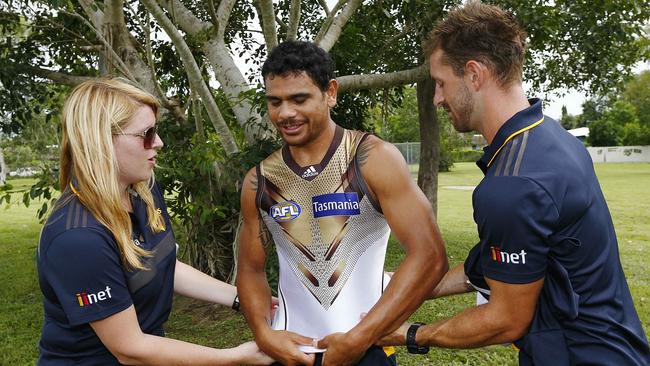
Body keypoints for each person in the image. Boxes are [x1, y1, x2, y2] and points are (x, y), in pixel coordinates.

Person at [377, 1, 650, 365]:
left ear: (474, 74)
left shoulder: (514, 183)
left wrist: (411, 333)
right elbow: (496, 265)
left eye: (441, 83)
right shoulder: (550, 137)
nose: (438, 98)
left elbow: (505, 320)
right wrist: (397, 285)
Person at [236, 40, 448, 366]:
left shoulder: (372, 159)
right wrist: (264, 334)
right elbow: (250, 270)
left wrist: (359, 338)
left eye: (299, 99)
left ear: (330, 92)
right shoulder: (259, 181)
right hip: (291, 352)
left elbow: (430, 256)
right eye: (274, 102)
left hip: (367, 351)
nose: (285, 113)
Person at [36, 78, 273, 365]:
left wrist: (241, 298)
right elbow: (130, 348)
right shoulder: (77, 238)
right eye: (147, 134)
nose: (158, 143)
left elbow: (164, 263)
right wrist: (233, 358)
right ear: (101, 141)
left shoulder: (142, 190)